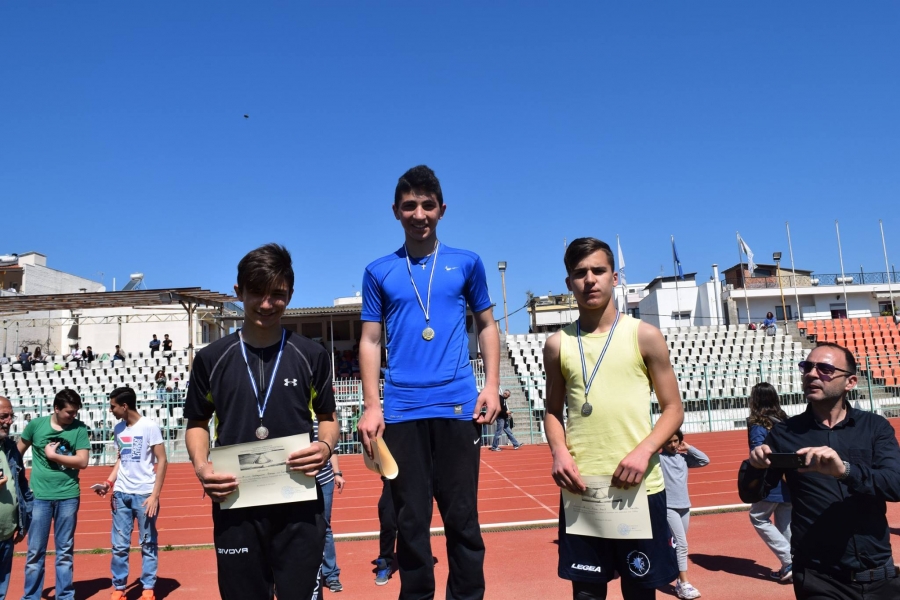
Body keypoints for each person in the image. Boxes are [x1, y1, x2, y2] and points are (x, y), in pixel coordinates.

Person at [358, 165, 500, 600]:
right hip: (402, 410)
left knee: (463, 519)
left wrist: (491, 384)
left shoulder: (467, 262)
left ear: (441, 209)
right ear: (395, 211)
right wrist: (372, 404)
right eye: (409, 206)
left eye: (427, 205)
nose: (418, 214)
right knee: (410, 522)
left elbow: (487, 325)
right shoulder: (379, 271)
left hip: (458, 407)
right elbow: (370, 339)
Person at [184, 243, 337, 600]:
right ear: (239, 292)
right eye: (257, 293)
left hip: (299, 503)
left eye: (277, 294)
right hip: (236, 503)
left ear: (290, 295)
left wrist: (325, 447)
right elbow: (197, 423)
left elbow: (328, 419)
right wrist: (202, 467)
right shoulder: (211, 359)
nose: (267, 304)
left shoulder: (311, 355)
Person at [543, 237, 684, 600]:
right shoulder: (557, 344)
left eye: (598, 270)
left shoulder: (645, 336)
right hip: (583, 489)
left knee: (640, 592)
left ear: (615, 277)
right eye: (580, 273)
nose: (590, 279)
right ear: (569, 282)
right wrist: (559, 453)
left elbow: (673, 408)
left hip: (638, 488)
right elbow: (552, 411)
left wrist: (644, 451)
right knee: (586, 595)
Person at [742, 343, 900, 599]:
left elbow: (895, 485)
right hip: (819, 579)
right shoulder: (784, 433)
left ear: (850, 382)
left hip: (879, 575)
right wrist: (754, 467)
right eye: (807, 367)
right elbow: (752, 493)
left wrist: (845, 471)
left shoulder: (875, 427)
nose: (812, 374)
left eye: (825, 369)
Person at [93, 387, 168, 600]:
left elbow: (162, 460)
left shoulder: (149, 427)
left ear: (125, 406)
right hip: (121, 495)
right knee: (119, 546)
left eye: (113, 406)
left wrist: (154, 495)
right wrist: (109, 482)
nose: (110, 410)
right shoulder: (118, 429)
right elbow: (122, 458)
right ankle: (119, 588)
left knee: (148, 543)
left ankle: (148, 589)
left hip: (144, 495)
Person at [17, 389, 90, 600]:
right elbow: (17, 452)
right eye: (69, 412)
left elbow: (83, 461)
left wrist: (53, 456)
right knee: (35, 551)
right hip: (39, 497)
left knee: (64, 551)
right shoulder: (36, 426)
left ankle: (65, 596)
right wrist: (19, 483)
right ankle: (31, 596)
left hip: (68, 496)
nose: (73, 416)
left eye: (75, 412)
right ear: (56, 408)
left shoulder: (79, 429)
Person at [746, 382, 793, 583]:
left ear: (755, 400)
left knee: (758, 517)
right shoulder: (785, 420)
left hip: (771, 482)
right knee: (785, 523)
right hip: (790, 480)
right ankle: (793, 563)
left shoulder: (758, 425)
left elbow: (759, 454)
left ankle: (789, 561)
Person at [659, 429, 709, 599]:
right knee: (682, 544)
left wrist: (689, 448)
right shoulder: (660, 459)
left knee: (676, 545)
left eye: (676, 441)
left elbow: (704, 460)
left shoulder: (683, 459)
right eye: (669, 442)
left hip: (684, 506)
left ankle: (677, 579)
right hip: (669, 507)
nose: (673, 445)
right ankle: (684, 583)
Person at [0, 396, 33, 599]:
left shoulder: (11, 448)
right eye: (4, 416)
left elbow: (22, 486)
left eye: (11, 416)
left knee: (1, 587)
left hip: (6, 534)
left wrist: (24, 522)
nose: (9, 421)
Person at [313, 420, 344, 593]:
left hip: (324, 480)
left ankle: (331, 575)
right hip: (297, 484)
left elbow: (332, 449)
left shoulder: (321, 421)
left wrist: (337, 473)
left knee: (325, 527)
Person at [374, 476, 398, 586]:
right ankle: (385, 563)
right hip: (391, 481)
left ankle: (414, 560)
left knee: (413, 524)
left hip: (414, 481)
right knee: (387, 522)